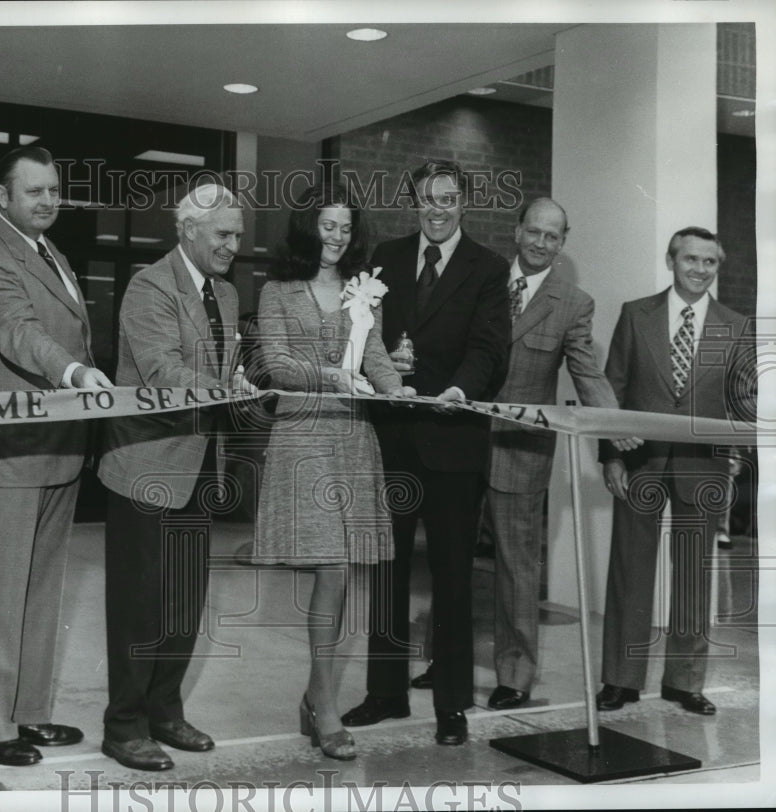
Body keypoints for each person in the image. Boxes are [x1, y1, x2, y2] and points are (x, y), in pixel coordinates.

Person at [342, 159, 510, 746]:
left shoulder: (488, 268)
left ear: (464, 202)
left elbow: (491, 348)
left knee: (452, 576)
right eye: (425, 198)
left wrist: (460, 391)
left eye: (447, 198)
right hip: (392, 436)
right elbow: (362, 336)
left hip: (454, 438)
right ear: (413, 201)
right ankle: (384, 693)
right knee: (385, 570)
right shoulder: (383, 257)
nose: (436, 209)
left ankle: (451, 705)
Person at [0, 145, 112, 766]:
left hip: (57, 450)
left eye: (54, 190)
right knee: (0, 594)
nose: (48, 201)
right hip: (9, 456)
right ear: (3, 197)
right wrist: (74, 372)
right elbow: (20, 333)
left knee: (41, 591)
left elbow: (69, 328)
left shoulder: (54, 253)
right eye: (34, 192)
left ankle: (28, 714)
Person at [253, 183, 415, 760]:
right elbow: (275, 363)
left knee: (340, 574)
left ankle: (315, 696)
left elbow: (373, 357)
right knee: (335, 569)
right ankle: (324, 708)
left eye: (345, 228)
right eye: (327, 226)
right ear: (307, 228)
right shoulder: (277, 291)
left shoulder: (360, 291)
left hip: (352, 438)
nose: (337, 237)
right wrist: (332, 377)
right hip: (303, 437)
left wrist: (402, 389)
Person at [97, 184, 253, 771]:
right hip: (147, 466)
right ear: (187, 229)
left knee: (185, 602)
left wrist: (243, 381)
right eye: (222, 234)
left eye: (237, 235)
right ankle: (124, 726)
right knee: (138, 603)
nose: (232, 245)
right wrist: (228, 387)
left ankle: (165, 711)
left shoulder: (230, 294)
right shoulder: (149, 286)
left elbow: (225, 366)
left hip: (199, 466)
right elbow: (162, 371)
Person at [483, 198, 639, 711]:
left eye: (553, 236)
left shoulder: (573, 302)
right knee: (447, 558)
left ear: (563, 242)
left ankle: (515, 675)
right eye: (534, 232)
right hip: (458, 443)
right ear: (517, 231)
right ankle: (448, 660)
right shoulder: (481, 279)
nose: (541, 243)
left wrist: (615, 429)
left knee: (516, 566)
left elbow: (587, 374)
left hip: (520, 450)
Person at [596, 226, 755, 716]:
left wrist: (734, 455)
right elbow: (612, 389)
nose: (700, 269)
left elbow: (743, 400)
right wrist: (611, 455)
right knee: (629, 572)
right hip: (639, 461)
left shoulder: (736, 325)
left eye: (709, 262)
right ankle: (620, 680)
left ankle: (684, 682)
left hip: (701, 467)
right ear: (671, 261)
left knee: (692, 577)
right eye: (690, 259)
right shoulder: (634, 314)